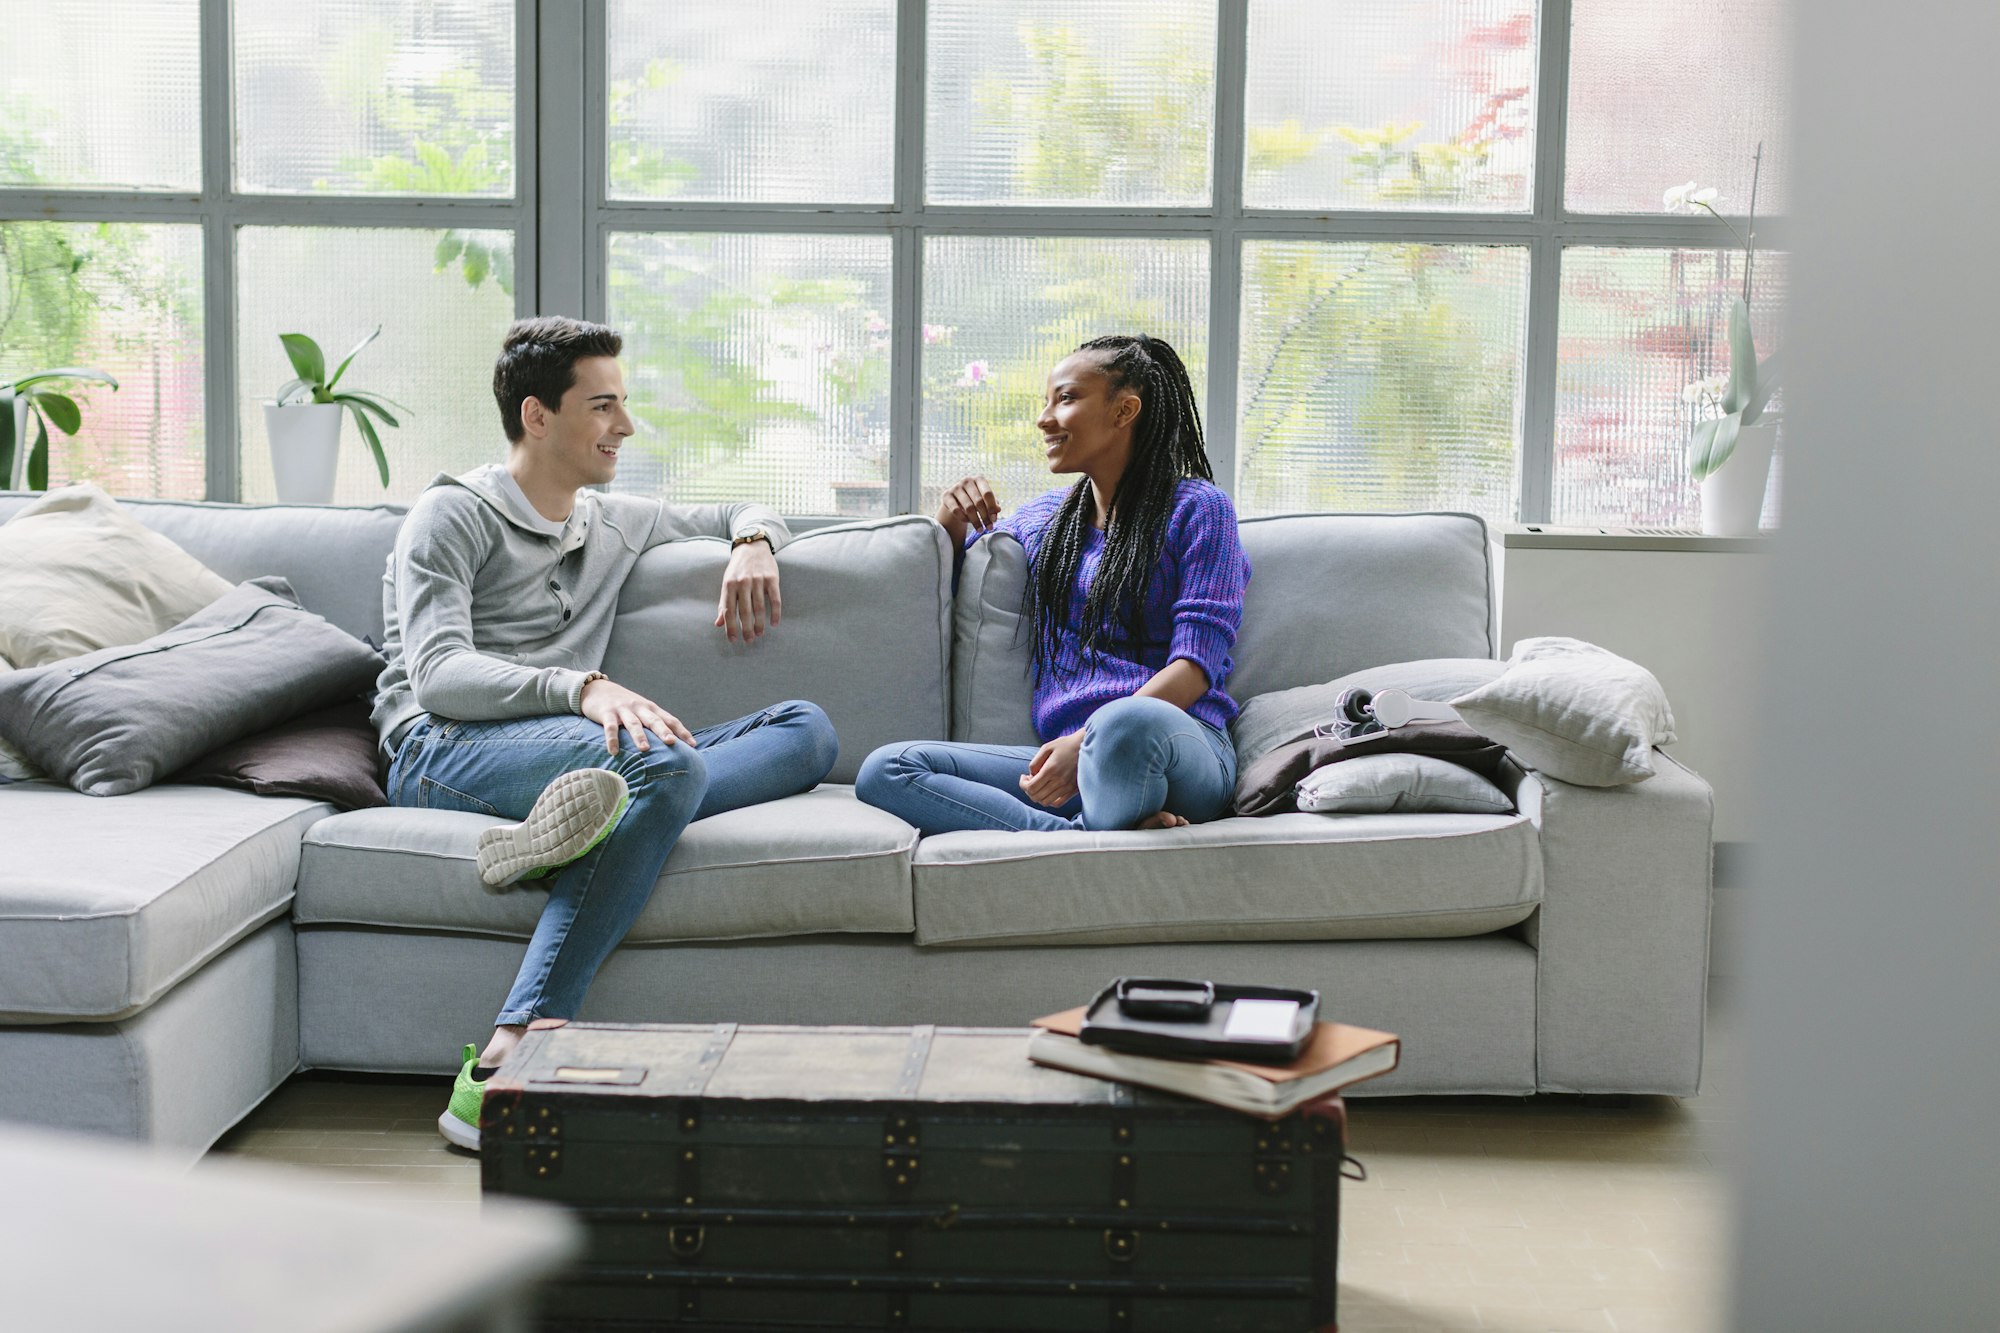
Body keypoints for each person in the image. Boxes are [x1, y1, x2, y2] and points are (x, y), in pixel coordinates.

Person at [371, 316, 838, 1151]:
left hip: (574, 751)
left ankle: (564, 831)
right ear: (536, 416)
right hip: (443, 747)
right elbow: (439, 674)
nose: (625, 426)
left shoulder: (611, 519)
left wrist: (754, 540)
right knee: (664, 770)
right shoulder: (449, 516)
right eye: (603, 406)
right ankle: (514, 1050)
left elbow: (743, 505)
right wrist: (579, 686)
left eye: (623, 404)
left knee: (809, 729)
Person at [855, 334, 1248, 835]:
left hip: (1177, 744)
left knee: (1124, 724)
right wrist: (951, 517)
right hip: (1065, 767)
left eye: (1064, 399)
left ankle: (1102, 821)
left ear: (1125, 411)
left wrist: (1087, 740)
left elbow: (1195, 667)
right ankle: (1077, 837)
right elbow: (944, 592)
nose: (1044, 419)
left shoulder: (1200, 509)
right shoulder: (1046, 522)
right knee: (889, 768)